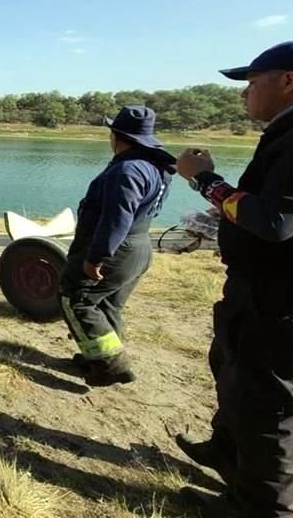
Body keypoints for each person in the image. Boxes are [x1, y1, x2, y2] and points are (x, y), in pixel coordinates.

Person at [174, 39, 293, 517]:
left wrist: (206, 180)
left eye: (252, 83)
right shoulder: (289, 132)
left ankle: (261, 509)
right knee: (229, 367)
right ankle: (229, 453)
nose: (244, 95)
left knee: (265, 404)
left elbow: (275, 223)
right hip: (257, 291)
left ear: (289, 81)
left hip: (279, 302)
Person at [60, 106, 175, 386]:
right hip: (138, 247)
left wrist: (97, 256)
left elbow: (116, 217)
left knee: (77, 299)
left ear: (115, 135)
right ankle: (97, 358)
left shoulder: (128, 169)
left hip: (117, 249)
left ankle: (112, 366)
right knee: (108, 305)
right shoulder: (153, 166)